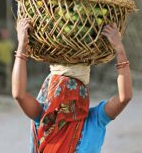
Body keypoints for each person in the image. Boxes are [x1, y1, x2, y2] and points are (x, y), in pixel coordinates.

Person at [12, 18, 132, 153]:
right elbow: (18, 95)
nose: (65, 96)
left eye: (72, 90)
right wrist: (21, 44)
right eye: (59, 90)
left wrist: (119, 48)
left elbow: (124, 97)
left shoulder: (46, 118)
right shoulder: (49, 117)